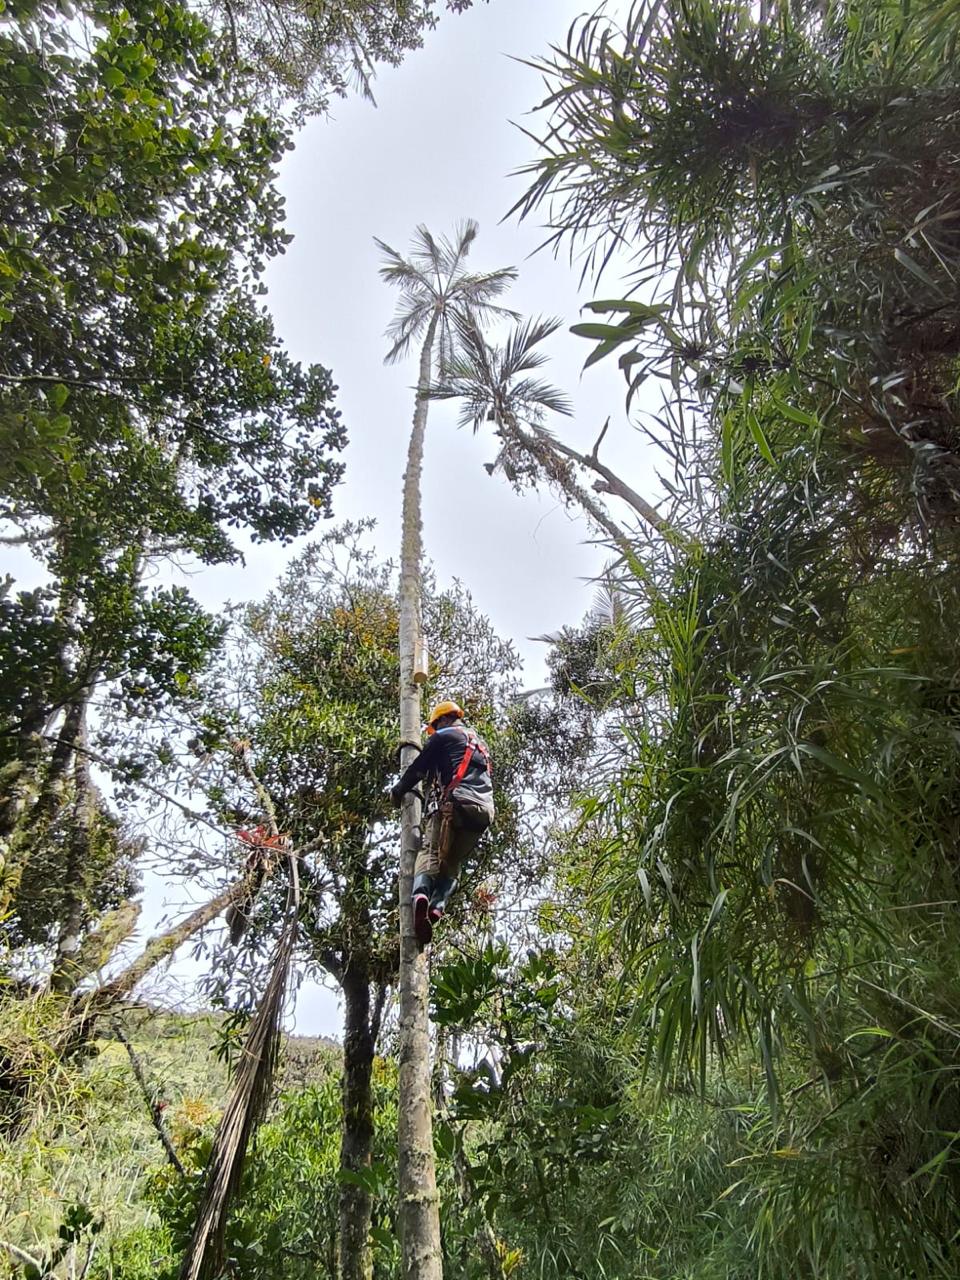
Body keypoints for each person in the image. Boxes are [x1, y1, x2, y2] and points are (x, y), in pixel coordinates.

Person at [391, 700, 494, 945]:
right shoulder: (481, 744)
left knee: (429, 852)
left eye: (435, 726)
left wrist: (398, 790)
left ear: (444, 720)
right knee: (453, 863)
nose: (434, 732)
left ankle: (420, 896)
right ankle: (437, 906)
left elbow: (418, 769)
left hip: (455, 805)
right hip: (483, 813)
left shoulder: (443, 737)